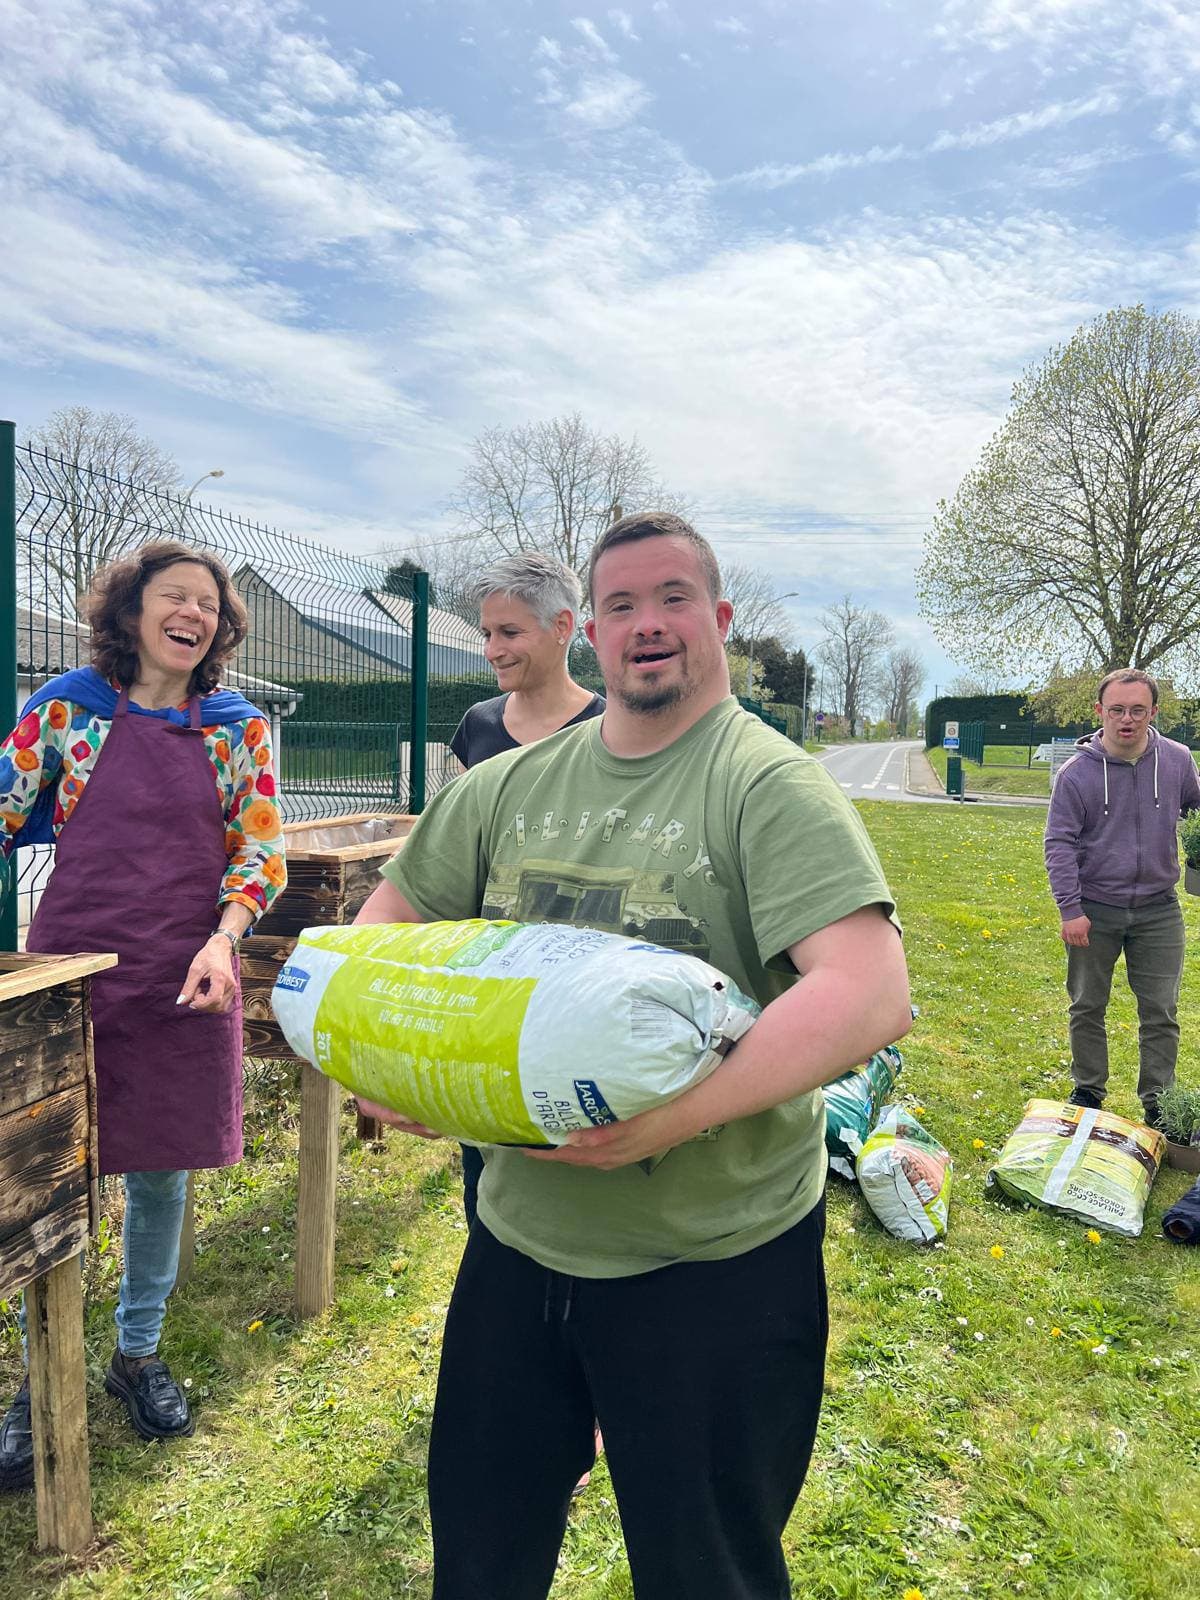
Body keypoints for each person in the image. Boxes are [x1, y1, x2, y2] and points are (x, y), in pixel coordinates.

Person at [355, 511, 911, 1600]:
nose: (646, 624)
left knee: (708, 1572)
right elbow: (384, 930)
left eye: (671, 599)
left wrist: (669, 1118)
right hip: (519, 1244)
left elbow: (867, 992)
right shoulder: (505, 785)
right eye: (621, 605)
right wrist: (394, 1066)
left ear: (719, 620)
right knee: (479, 1555)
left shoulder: (767, 784)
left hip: (712, 1263)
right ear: (591, 632)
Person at [0, 540, 287, 1491]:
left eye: (208, 605)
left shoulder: (238, 729)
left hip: (185, 972)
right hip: (73, 968)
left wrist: (225, 940)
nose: (194, 615)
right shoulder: (65, 712)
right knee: (47, 1175)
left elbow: (259, 853)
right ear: (130, 612)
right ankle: (38, 1379)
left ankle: (136, 1353)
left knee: (161, 1173)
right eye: (176, 597)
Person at [449, 550, 604, 1230]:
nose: (492, 649)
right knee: (481, 1138)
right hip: (484, 966)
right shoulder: (478, 727)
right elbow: (453, 843)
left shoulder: (609, 729)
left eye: (508, 632)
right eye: (487, 634)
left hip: (572, 968)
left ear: (563, 627)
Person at [1045, 667, 1200, 1127]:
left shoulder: (1177, 760)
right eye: (1117, 710)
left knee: (1160, 1010)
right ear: (1100, 712)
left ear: (1153, 712)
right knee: (1087, 1005)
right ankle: (1089, 1089)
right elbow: (1059, 844)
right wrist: (1070, 909)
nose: (1127, 719)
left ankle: (1158, 1102)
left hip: (1159, 909)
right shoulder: (1076, 775)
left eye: (1137, 710)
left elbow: (1197, 809)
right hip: (1094, 910)